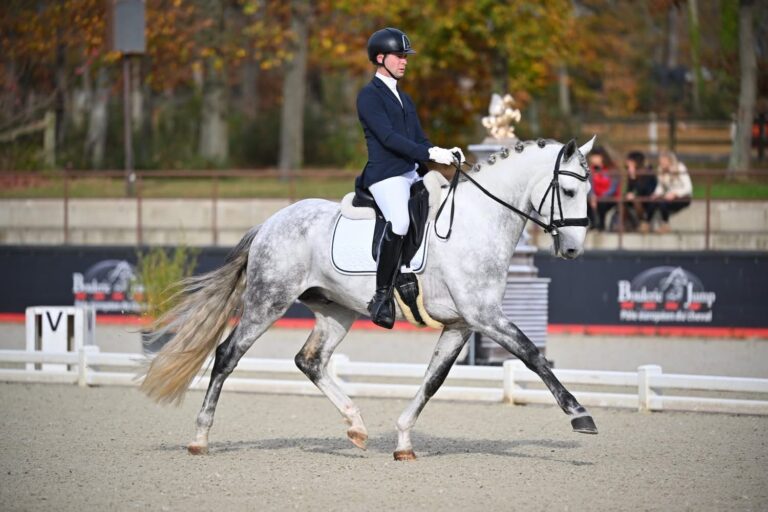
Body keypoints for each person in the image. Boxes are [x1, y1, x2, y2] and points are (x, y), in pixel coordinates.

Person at [357, 27, 464, 329]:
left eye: (406, 57)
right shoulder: (369, 96)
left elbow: (419, 139)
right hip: (386, 175)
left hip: (411, 172)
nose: (404, 61)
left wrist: (443, 152)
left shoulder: (405, 98)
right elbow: (389, 138)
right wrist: (430, 153)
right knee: (401, 222)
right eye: (399, 56)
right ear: (380, 58)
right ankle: (381, 296)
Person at [646, 150, 693, 233]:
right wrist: (656, 194)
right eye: (660, 161)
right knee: (653, 201)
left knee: (662, 203)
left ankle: (665, 225)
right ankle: (646, 224)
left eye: (663, 161)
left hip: (683, 196)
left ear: (670, 160)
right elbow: (661, 186)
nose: (661, 163)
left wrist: (675, 194)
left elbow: (688, 187)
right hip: (669, 196)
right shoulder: (661, 170)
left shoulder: (680, 167)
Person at [622, 150, 657, 232]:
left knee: (636, 200)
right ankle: (624, 224)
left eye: (630, 162)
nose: (628, 164)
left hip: (647, 200)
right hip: (636, 199)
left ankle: (643, 223)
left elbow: (647, 190)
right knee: (623, 200)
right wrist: (629, 193)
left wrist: (634, 178)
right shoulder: (631, 173)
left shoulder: (648, 173)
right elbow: (629, 190)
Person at [586, 147, 619, 231]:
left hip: (610, 197)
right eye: (592, 156)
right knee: (586, 202)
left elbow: (613, 188)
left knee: (602, 203)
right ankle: (593, 224)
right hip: (596, 197)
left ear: (602, 157)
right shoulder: (590, 169)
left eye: (596, 156)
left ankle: (601, 226)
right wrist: (592, 196)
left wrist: (602, 196)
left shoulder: (612, 169)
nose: (593, 159)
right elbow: (590, 184)